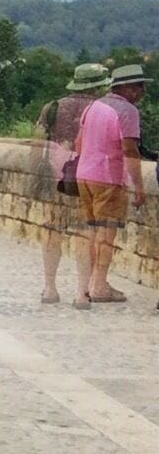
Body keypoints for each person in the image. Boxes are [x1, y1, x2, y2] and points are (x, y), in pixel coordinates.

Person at [75, 62, 146, 305]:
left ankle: (90, 282)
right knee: (106, 234)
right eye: (138, 87)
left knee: (94, 232)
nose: (141, 93)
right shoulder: (127, 111)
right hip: (108, 178)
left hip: (85, 175)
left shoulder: (93, 106)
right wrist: (138, 186)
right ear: (125, 88)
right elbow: (130, 150)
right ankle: (99, 285)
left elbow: (78, 143)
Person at [37, 63, 106, 304]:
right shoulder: (101, 110)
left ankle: (49, 288)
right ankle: (81, 294)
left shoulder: (52, 107)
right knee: (85, 233)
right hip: (87, 177)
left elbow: (40, 142)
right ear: (99, 85)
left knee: (51, 230)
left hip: (55, 178)